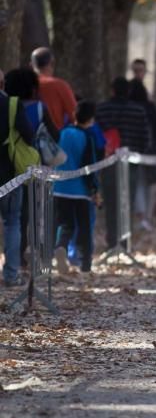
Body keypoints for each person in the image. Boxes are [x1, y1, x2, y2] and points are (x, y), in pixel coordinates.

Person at [4, 67, 59, 266]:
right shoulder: (39, 108)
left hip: (9, 168)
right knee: (32, 214)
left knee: (16, 218)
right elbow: (54, 134)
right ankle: (37, 257)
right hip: (32, 167)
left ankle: (17, 259)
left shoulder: (5, 105)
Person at [95, 77, 151, 250]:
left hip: (107, 163)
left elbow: (96, 136)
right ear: (128, 92)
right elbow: (145, 139)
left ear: (112, 90)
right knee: (128, 202)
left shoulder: (102, 110)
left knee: (111, 203)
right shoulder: (138, 111)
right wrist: (137, 153)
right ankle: (125, 243)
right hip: (131, 163)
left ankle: (112, 243)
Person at [53, 101, 101, 274]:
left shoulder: (62, 133)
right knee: (84, 227)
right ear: (91, 119)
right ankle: (85, 264)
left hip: (59, 187)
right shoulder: (87, 137)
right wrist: (94, 190)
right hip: (80, 190)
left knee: (66, 224)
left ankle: (61, 247)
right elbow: (90, 166)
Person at [0, 70, 35, 287]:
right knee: (13, 222)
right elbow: (29, 134)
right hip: (9, 172)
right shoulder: (12, 104)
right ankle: (11, 275)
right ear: (3, 83)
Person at [128, 79, 156, 229]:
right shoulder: (149, 107)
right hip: (148, 151)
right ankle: (144, 215)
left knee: (139, 184)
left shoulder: (132, 108)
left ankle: (141, 216)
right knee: (145, 184)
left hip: (134, 151)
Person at [30, 47, 77, 130]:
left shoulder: (25, 85)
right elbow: (75, 115)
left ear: (31, 65)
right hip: (54, 138)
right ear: (52, 63)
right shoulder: (59, 85)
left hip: (26, 139)